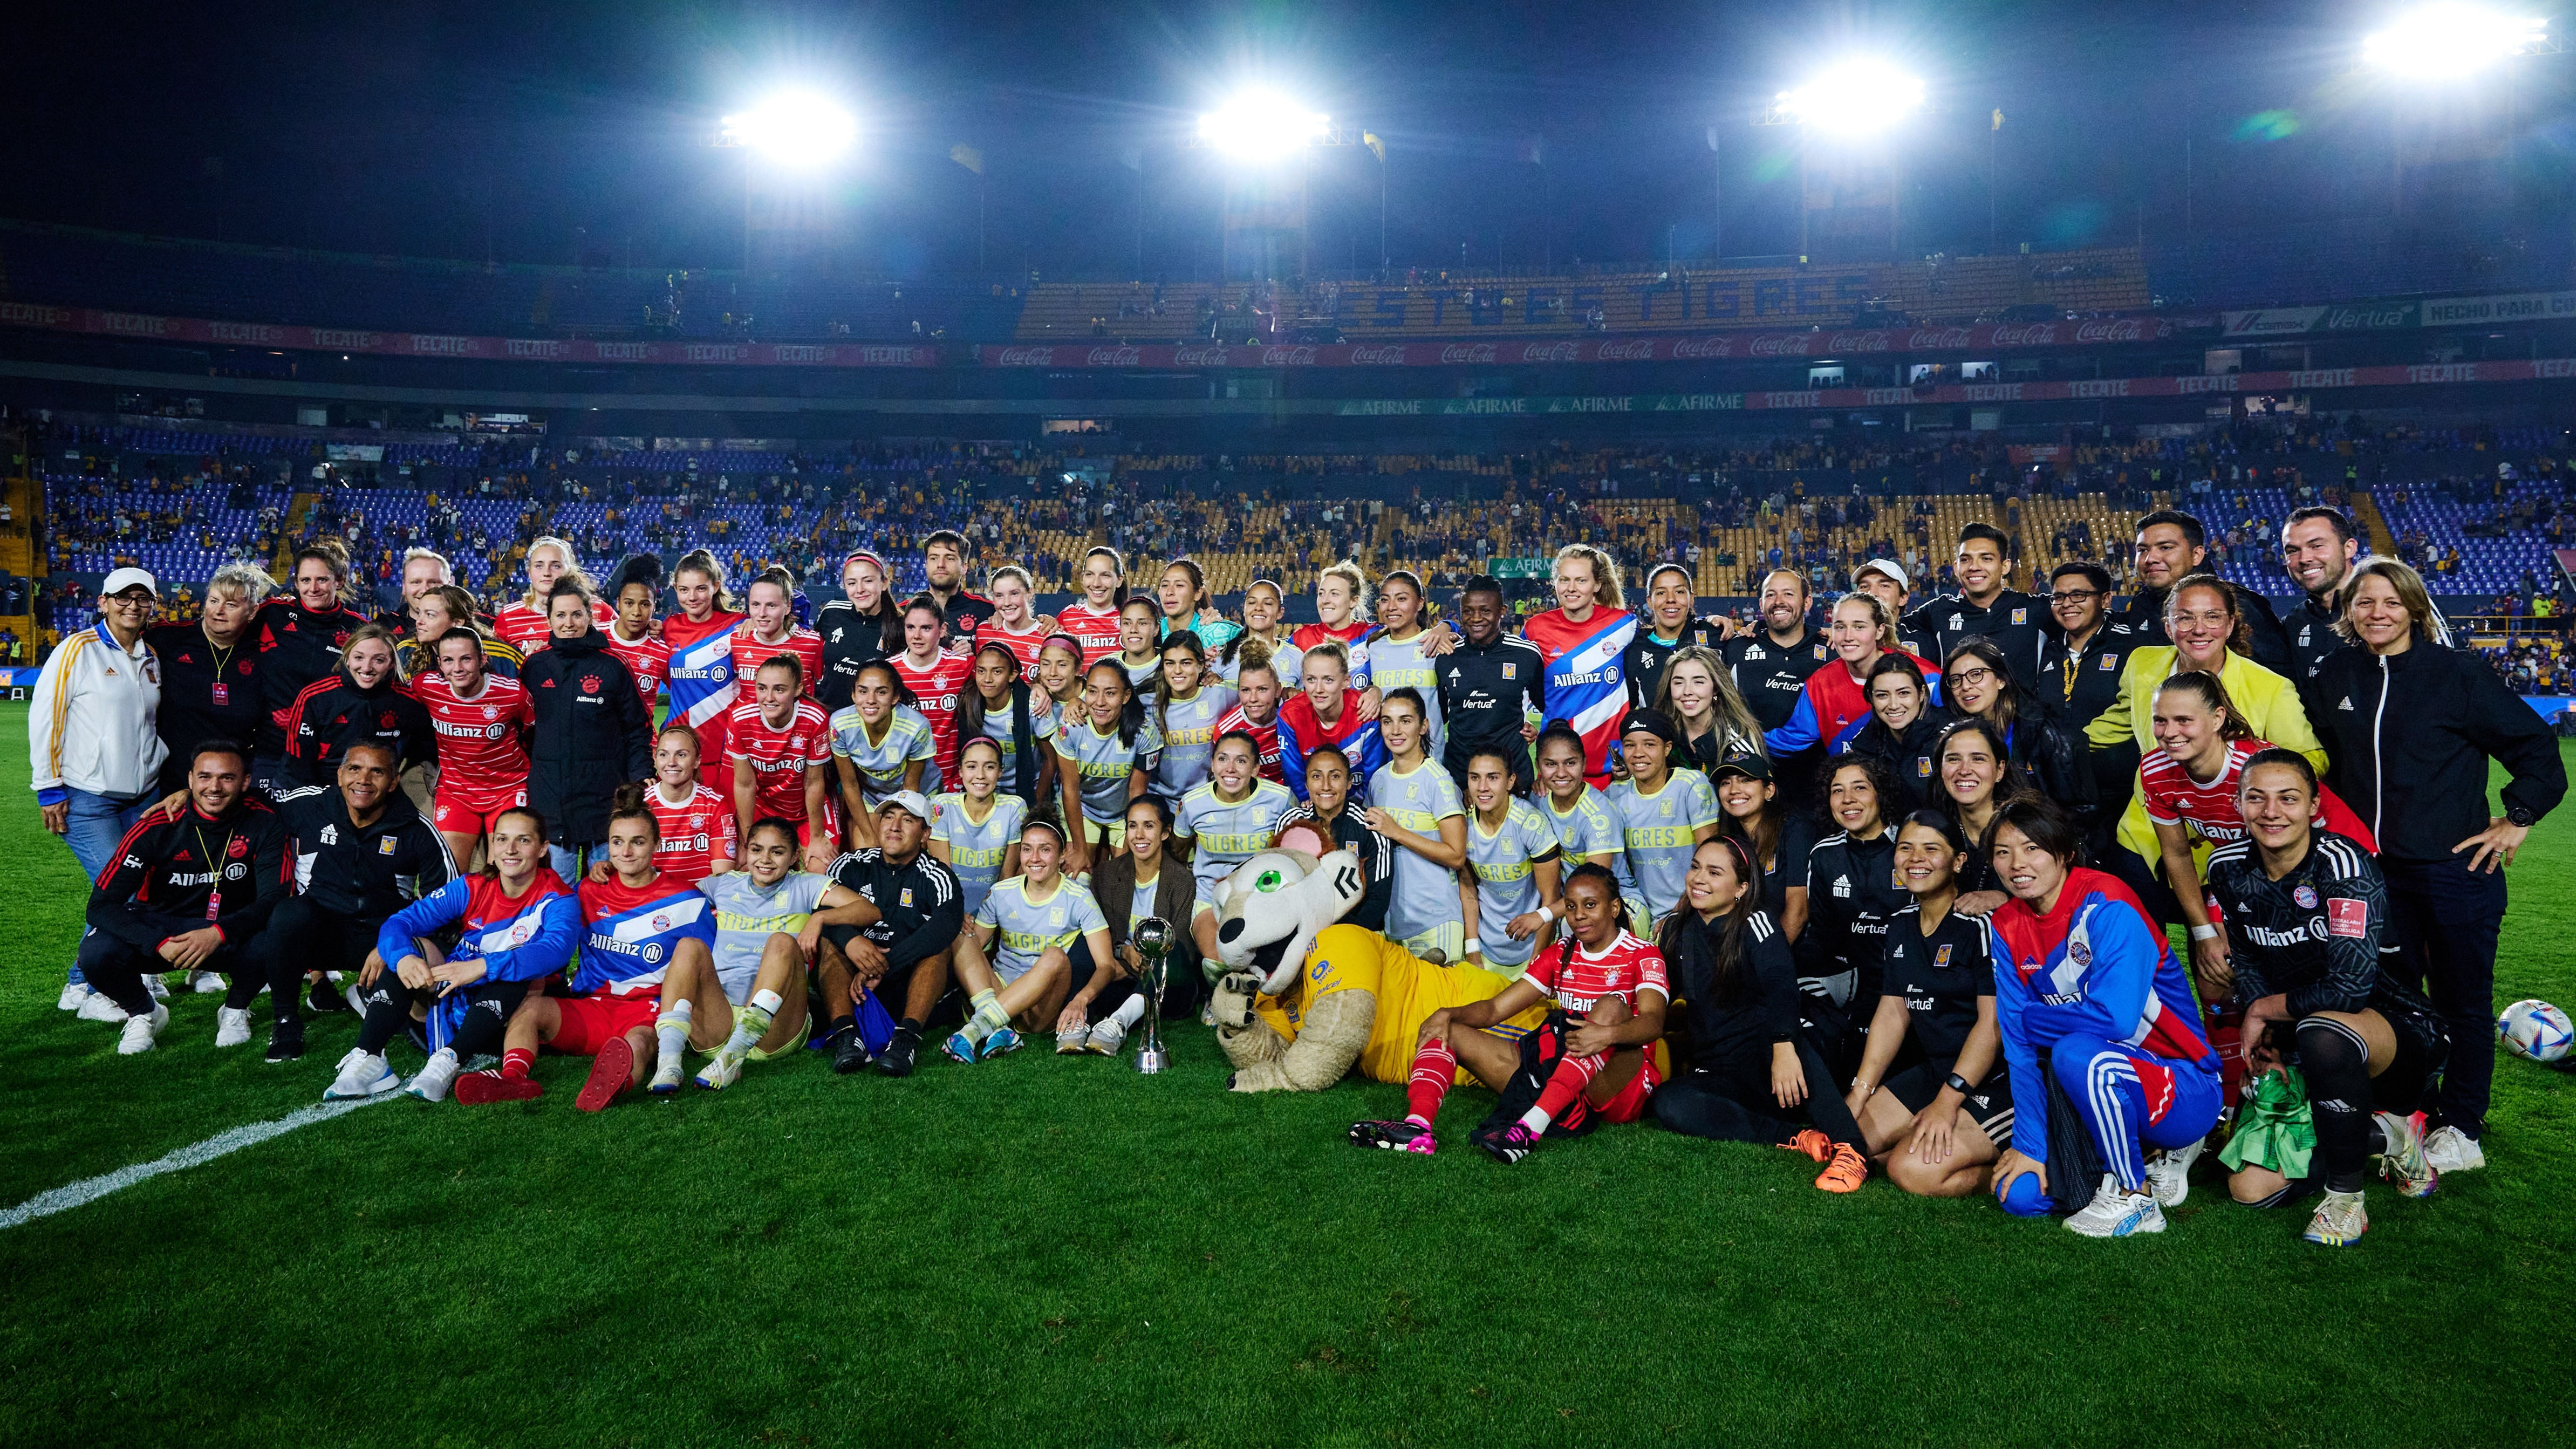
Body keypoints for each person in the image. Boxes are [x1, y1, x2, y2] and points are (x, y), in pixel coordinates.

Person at [2302, 557, 2566, 1174]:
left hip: (2453, 871)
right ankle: (2408, 1109)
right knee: (2389, 1000)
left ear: (2414, 609)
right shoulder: (2334, 674)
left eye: (2390, 602)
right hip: (2366, 874)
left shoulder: (2458, 674)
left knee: (2462, 1001)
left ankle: (2462, 1127)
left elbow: (2533, 748)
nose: (2376, 613)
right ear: (2347, 611)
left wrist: (2516, 818)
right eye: (2363, 602)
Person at [2208, 749, 2447, 1244]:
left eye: (2288, 799)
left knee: (2325, 1027)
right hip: (2299, 1032)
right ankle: (2388, 1138)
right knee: (2249, 1190)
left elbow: (2349, 988)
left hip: (2392, 1027)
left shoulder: (2342, 864)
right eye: (2256, 798)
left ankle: (2345, 1202)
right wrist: (2269, 1039)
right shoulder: (2226, 867)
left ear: (2314, 807)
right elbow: (2249, 958)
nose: (2271, 811)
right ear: (2238, 804)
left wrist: (2260, 1011)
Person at [1986, 798, 2221, 1239]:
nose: (2016, 863)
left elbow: (2113, 1021)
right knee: (2022, 1197)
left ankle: (2135, 1196)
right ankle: (2130, 1161)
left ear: (2064, 852)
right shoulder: (2005, 924)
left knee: (2076, 1052)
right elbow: (2018, 1050)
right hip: (2091, 1086)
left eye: (2031, 847)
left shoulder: (2107, 903)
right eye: (2002, 852)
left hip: (2183, 1084)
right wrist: (2031, 1148)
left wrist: (2036, 1021)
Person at [1351, 864, 1668, 1163]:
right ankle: (1417, 1128)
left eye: (1590, 905)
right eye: (1570, 907)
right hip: (1564, 1074)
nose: (1579, 916)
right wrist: (1448, 1013)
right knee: (1450, 1028)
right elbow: (1496, 1009)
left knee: (1610, 1008)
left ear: (1613, 908)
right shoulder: (1561, 952)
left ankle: (1528, 1130)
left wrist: (1606, 1035)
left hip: (1616, 1084)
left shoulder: (1643, 954)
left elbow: (1653, 1023)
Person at [2087, 572, 2324, 924]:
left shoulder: (2269, 688)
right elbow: (2118, 721)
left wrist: (2248, 771)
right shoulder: (2141, 665)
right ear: (2168, 627)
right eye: (2185, 617)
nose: (2199, 629)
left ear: (2230, 625)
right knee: (2140, 953)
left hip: (2228, 845)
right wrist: (2054, 745)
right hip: (2143, 837)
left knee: (2219, 960)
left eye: (2212, 617)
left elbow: (2311, 760)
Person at [460, 786, 716, 1110]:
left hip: (645, 1010)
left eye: (638, 842)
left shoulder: (688, 901)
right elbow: (551, 938)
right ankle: (514, 1078)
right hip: (589, 1008)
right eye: (617, 843)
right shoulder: (588, 891)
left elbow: (707, 969)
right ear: (607, 846)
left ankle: (613, 1084)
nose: (625, 852)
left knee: (638, 1043)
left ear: (657, 845)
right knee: (530, 1009)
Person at [1650, 838, 1871, 1192]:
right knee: (1669, 1103)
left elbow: (1781, 986)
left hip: (1774, 1064)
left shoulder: (1756, 922)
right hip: (1720, 1072)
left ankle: (1851, 1149)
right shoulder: (1678, 929)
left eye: (1713, 872)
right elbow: (1660, 997)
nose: (1698, 879)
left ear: (1741, 887)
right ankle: (1794, 1136)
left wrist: (1783, 1048)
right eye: (1695, 867)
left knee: (1791, 1040)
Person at [2140, 671, 2376, 993]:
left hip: (2335, 862)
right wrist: (2203, 932)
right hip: (2261, 866)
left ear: (2217, 718)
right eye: (2160, 721)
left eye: (2183, 720)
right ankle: (2234, 1041)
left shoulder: (2255, 768)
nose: (2170, 733)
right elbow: (2178, 854)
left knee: (2315, 971)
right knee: (2215, 970)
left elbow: (2309, 849)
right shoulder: (2154, 770)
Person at [74, 741, 288, 1054]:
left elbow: (275, 898)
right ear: (189, 781)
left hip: (226, 930)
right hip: (161, 928)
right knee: (96, 951)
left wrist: (218, 933)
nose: (214, 787)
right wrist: (157, 942)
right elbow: (101, 906)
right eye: (204, 777)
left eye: (227, 778)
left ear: (245, 782)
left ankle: (235, 1008)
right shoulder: (155, 825)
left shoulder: (265, 823)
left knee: (281, 932)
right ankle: (144, 1012)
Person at [358, 804, 578, 1103]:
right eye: (502, 840)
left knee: (521, 972)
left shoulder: (559, 898)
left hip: (507, 1020)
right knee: (411, 949)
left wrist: (484, 966)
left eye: (523, 840)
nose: (510, 849)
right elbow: (400, 922)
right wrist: (403, 957)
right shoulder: (472, 887)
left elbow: (556, 951)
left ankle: (449, 1061)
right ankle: (367, 1057)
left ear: (542, 849)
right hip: (452, 1002)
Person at [1843, 811, 2011, 1198]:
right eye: (1905, 848)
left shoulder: (1981, 925)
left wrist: (1945, 1103)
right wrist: (1860, 1090)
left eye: (1931, 849)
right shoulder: (1900, 923)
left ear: (1957, 862)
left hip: (2000, 1080)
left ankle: (2019, 1167)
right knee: (1848, 1142)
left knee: (1911, 1171)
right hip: (1938, 1069)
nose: (1915, 858)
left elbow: (1992, 1026)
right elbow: (1892, 1012)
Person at [278, 741, 464, 1078]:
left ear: (393, 782)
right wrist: (185, 796)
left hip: (384, 939)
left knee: (424, 952)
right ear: (339, 775)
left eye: (377, 771)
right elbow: (243, 802)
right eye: (354, 769)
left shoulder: (417, 828)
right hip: (322, 938)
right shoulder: (309, 806)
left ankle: (383, 1013)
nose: (363, 780)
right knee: (286, 917)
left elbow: (448, 903)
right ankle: (286, 1020)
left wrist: (393, 943)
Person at [32, 566, 168, 1012]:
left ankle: (84, 979)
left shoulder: (150, 656)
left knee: (136, 889)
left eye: (142, 599)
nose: (133, 606)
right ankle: (95, 987)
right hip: (89, 796)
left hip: (142, 795)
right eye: (123, 597)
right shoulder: (78, 649)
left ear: (152, 604)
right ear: (103, 602)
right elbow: (46, 716)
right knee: (119, 892)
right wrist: (49, 788)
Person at [661, 817, 873, 1091]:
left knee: (782, 943)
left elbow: (868, 910)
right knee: (688, 946)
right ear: (746, 851)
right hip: (718, 1023)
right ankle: (668, 1063)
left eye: (777, 851)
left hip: (773, 1029)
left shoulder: (807, 885)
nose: (765, 859)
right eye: (757, 849)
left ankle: (732, 1059)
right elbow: (666, 899)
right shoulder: (723, 884)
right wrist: (613, 874)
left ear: (795, 855)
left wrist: (819, 920)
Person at [813, 791, 962, 1077]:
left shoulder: (936, 874)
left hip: (906, 981)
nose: (894, 826)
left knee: (940, 947)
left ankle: (906, 1041)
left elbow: (947, 924)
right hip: (850, 981)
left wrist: (885, 965)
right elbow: (818, 907)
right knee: (829, 938)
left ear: (925, 834)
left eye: (907, 820)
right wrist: (852, 942)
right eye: (889, 817)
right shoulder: (851, 864)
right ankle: (846, 1037)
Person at [945, 818, 1113, 1061]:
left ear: (1063, 854)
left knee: (1055, 955)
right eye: (1027, 849)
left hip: (1038, 1009)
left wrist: (1081, 1000)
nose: (1034, 858)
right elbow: (974, 946)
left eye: (1045, 849)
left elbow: (1106, 966)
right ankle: (998, 1027)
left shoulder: (1079, 898)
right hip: (996, 990)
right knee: (961, 933)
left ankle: (976, 1028)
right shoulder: (1002, 892)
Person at [520, 577, 654, 883]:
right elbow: (520, 728)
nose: (569, 623)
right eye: (561, 615)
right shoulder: (535, 666)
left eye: (577, 614)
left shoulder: (613, 665)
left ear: (591, 617)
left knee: (609, 890)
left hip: (604, 801)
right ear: (549, 618)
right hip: (552, 804)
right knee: (558, 894)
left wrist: (638, 779)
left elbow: (638, 728)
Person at [1798, 756, 1907, 1073]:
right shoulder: (1824, 855)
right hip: (1850, 986)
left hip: (1906, 986)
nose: (1848, 800)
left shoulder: (1910, 846)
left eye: (1860, 788)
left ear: (1880, 793)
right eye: (1837, 791)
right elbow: (1820, 935)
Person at [1764, 592, 1942, 769]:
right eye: (1840, 627)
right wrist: (1740, 738)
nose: (1848, 636)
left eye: (1859, 627)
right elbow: (1788, 741)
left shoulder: (1926, 676)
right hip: (1854, 791)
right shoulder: (1820, 684)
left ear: (1880, 630)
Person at [248, 544, 372, 785]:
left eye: (322, 580)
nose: (313, 588)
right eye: (305, 580)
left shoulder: (357, 629)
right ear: (296, 582)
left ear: (339, 581)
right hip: (270, 750)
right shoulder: (273, 614)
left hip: (328, 754)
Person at [411, 625, 534, 868]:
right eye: (448, 660)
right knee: (449, 871)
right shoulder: (426, 687)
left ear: (482, 659)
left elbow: (532, 732)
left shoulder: (512, 694)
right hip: (457, 792)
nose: (457, 668)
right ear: (440, 663)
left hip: (507, 790)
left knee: (503, 870)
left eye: (466, 659)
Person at [1086, 794, 1204, 1045]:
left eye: (1149, 826)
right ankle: (1078, 1020)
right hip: (1121, 975)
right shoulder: (1107, 875)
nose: (1139, 835)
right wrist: (1121, 953)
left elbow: (1183, 950)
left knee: (1172, 952)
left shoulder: (1181, 881)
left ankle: (1118, 1023)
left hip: (1168, 985)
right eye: (1132, 825)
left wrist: (1145, 962)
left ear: (1165, 833)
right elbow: (1099, 934)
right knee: (1084, 951)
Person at [146, 563, 272, 797]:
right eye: (213, 601)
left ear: (252, 611)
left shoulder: (264, 655)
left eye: (231, 605)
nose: (219, 611)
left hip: (228, 788)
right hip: (168, 784)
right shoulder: (169, 639)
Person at [2116, 510, 2293, 673]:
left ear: (2197, 555)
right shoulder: (2141, 604)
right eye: (2142, 550)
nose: (2150, 559)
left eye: (2166, 548)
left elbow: (2278, 678)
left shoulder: (2239, 604)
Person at [1365, 689, 1470, 962]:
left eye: (1406, 720)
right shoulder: (1378, 780)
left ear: (1424, 726)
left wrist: (1397, 832)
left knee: (1440, 1005)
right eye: (1387, 721)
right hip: (1393, 922)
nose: (1395, 730)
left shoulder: (1438, 780)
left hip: (1436, 920)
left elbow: (1456, 856)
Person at [1521, 543, 1637, 785]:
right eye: (1564, 580)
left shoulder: (1624, 625)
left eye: (1581, 581)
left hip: (1615, 771)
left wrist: (1710, 622)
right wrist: (1449, 628)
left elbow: (1667, 639)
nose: (1571, 589)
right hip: (1557, 768)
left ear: (1597, 585)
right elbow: (1509, 670)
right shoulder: (1535, 629)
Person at [1943, 637, 2093, 825]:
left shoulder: (2045, 732)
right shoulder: (1953, 736)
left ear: (2001, 680)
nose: (1965, 686)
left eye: (1976, 674)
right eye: (1956, 680)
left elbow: (2081, 812)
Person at [1174, 731, 1295, 964]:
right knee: (1219, 962)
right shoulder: (1192, 802)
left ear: (1255, 769)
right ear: (1212, 764)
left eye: (1241, 761)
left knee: (1260, 962)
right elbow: (1178, 850)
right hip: (1210, 897)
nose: (1230, 768)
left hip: (1263, 897)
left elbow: (1293, 854)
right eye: (1222, 759)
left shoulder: (1280, 799)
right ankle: (1214, 999)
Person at [1602, 708, 1721, 933]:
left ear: (1667, 748)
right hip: (1638, 910)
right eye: (1630, 745)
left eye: (1649, 744)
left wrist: (1680, 911)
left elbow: (1712, 859)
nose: (1638, 753)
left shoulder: (1691, 786)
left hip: (1692, 906)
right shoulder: (1614, 795)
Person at [1725, 569, 1834, 806]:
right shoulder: (1737, 648)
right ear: (1762, 603)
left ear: (1807, 602)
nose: (1779, 602)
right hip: (1749, 785)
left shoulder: (1833, 650)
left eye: (1788, 594)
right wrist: (1715, 621)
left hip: (1815, 790)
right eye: (1771, 595)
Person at [278, 624, 432, 790]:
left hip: (381, 795)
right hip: (321, 791)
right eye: (359, 658)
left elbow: (424, 753)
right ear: (347, 658)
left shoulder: (408, 702)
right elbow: (296, 766)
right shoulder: (315, 697)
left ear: (392, 664)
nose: (366, 668)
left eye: (379, 660)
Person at [1459, 747, 1564, 981]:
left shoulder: (1530, 822)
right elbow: (1468, 891)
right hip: (1486, 950)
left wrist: (1536, 964)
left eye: (1493, 778)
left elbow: (1550, 900)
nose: (1483, 787)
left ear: (1510, 781)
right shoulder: (1463, 823)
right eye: (1475, 777)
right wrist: (1473, 949)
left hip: (1531, 951)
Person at [725, 655, 835, 873]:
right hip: (767, 809)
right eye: (762, 688)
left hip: (808, 810)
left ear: (797, 690)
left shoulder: (815, 718)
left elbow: (813, 783)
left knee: (819, 869)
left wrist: (816, 836)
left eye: (779, 690)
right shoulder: (740, 719)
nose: (769, 698)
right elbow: (745, 785)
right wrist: (749, 842)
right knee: (750, 869)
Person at [1436, 575, 1546, 792]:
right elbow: (1439, 715)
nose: (1476, 618)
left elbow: (1549, 707)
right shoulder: (1446, 657)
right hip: (1460, 777)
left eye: (1485, 611)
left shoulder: (1526, 655)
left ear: (1502, 611)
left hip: (1512, 777)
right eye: (1468, 611)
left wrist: (1538, 734)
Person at [1903, 523, 2045, 688]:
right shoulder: (1939, 611)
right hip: (1956, 714)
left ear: (2005, 566)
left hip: (2023, 715)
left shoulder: (2036, 609)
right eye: (1965, 560)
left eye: (1986, 559)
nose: (1974, 567)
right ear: (1956, 568)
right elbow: (1890, 630)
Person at [1053, 658, 1160, 874]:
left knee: (1123, 875)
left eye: (1110, 693)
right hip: (1084, 809)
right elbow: (1070, 789)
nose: (1100, 702)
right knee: (1078, 874)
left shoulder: (1144, 731)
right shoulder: (1071, 726)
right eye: (1093, 692)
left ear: (1125, 696)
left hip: (1123, 813)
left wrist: (1134, 839)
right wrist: (1081, 849)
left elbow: (1136, 792)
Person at [1276, 743, 1394, 933]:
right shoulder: (1291, 822)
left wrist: (1344, 937)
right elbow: (1279, 887)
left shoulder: (1369, 826)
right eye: (1316, 776)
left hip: (1358, 934)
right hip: (1299, 935)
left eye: (1335, 776)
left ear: (1349, 783)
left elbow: (1378, 898)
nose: (1326, 786)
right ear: (1306, 784)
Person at [662, 549, 748, 793]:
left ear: (716, 586)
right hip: (681, 753)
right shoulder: (668, 628)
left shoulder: (739, 626)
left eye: (701, 588)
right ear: (676, 589)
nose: (692, 597)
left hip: (727, 750)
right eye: (684, 590)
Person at [830, 659, 937, 846]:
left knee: (905, 849)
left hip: (917, 795)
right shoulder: (840, 724)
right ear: (854, 695)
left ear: (895, 697)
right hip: (872, 796)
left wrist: (900, 829)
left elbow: (911, 787)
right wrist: (870, 836)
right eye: (863, 691)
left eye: (881, 692)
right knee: (867, 853)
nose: (871, 700)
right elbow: (850, 784)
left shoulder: (916, 726)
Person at [1930, 718, 2026, 915]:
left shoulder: (2028, 826)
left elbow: (2061, 893)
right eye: (1954, 759)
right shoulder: (1932, 832)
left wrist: (2005, 898)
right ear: (1941, 770)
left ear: (2000, 770)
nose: (1964, 770)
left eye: (1978, 759)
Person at [928, 736, 1028, 920]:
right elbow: (943, 877)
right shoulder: (942, 806)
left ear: (1000, 771)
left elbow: (1006, 879)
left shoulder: (1014, 808)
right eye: (971, 767)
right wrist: (956, 915)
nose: (980, 775)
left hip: (992, 912)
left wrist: (990, 920)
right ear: (960, 771)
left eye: (989, 767)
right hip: (948, 908)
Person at [1712, 751, 1809, 942]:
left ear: (1769, 791)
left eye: (1746, 780)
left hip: (1800, 956)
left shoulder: (1796, 830)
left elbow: (1798, 913)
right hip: (1750, 947)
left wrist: (1768, 960)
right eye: (1725, 783)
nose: (1733, 790)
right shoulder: (1730, 839)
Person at [2033, 561, 2136, 739]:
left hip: (2116, 763)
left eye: (2078, 595)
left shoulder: (2129, 645)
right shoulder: (2047, 651)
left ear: (2105, 600)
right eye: (2058, 597)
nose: (2066, 604)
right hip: (2057, 764)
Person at [1278, 641, 1385, 803]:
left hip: (1360, 806)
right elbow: (1294, 773)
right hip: (1313, 803)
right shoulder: (1290, 715)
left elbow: (1374, 777)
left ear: (1345, 681)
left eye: (1328, 680)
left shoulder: (1365, 711)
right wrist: (1308, 804)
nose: (1318, 689)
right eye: (1311, 680)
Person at [1844, 654, 1948, 815]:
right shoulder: (1864, 746)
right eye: (1882, 695)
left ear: (1921, 694)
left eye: (1903, 693)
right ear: (1871, 698)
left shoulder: (1952, 737)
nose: (1893, 705)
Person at [1623, 563, 1732, 710]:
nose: (1671, 599)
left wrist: (1752, 629)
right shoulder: (1635, 650)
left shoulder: (1715, 635)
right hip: (1660, 733)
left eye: (1679, 592)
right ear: (1649, 602)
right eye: (1661, 593)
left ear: (1691, 598)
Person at [891, 594, 974, 782]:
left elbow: (1000, 678)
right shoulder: (890, 672)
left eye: (926, 628)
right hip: (904, 782)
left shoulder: (962, 665)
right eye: (910, 627)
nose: (917, 636)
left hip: (950, 784)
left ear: (942, 630)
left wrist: (1037, 687)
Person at [641, 722, 736, 884]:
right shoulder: (641, 804)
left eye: (681, 755)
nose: (671, 762)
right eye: (664, 755)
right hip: (652, 902)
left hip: (701, 901)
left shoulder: (715, 806)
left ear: (697, 761)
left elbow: (723, 878)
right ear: (655, 759)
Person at [1361, 570, 1442, 755]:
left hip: (1430, 761)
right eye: (1385, 599)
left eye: (1401, 599)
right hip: (1386, 762)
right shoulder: (1374, 647)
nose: (1391, 607)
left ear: (1420, 603)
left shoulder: (1435, 643)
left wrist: (1447, 626)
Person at [1149, 632, 1236, 803]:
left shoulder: (1222, 694)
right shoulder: (1148, 703)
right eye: (1170, 664)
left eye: (1186, 663)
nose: (1177, 671)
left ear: (1201, 665)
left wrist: (1287, 692)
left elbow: (1260, 694)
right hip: (1160, 801)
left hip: (1208, 799)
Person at [1653, 645, 1764, 778]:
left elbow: (1751, 793)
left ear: (1715, 688)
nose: (1687, 691)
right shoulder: (1662, 733)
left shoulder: (1737, 738)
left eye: (1699, 682)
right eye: (1679, 683)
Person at [816, 549, 904, 713]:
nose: (860, 589)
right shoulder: (832, 613)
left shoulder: (901, 625)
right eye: (851, 583)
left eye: (868, 581)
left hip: (872, 723)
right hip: (826, 717)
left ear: (884, 583)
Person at [490, 537, 610, 654]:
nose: (546, 573)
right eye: (539, 566)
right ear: (529, 572)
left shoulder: (597, 608)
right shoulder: (508, 616)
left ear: (569, 571)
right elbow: (497, 664)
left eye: (556, 566)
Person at [731, 566, 824, 702]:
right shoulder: (738, 639)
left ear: (788, 607)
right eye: (756, 605)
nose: (762, 614)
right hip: (749, 723)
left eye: (771, 606)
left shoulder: (812, 643)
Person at [600, 555, 672, 717]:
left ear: (654, 607)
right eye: (629, 603)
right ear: (618, 603)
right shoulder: (594, 639)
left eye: (645, 604)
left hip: (643, 741)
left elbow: (685, 693)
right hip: (598, 740)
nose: (636, 613)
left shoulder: (662, 652)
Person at [1213, 651, 1287, 784]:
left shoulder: (1295, 717)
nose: (1253, 699)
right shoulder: (1226, 731)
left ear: (1277, 690)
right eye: (1246, 690)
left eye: (1262, 689)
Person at [1218, 578, 1303, 688]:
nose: (1258, 608)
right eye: (1252, 602)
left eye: (1268, 603)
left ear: (1280, 613)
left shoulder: (1296, 657)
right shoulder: (1223, 656)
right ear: (1244, 610)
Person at [1292, 559, 1375, 667]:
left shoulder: (1369, 635)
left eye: (1334, 594)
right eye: (1321, 593)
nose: (1325, 600)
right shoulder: (1303, 636)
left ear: (1353, 601)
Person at [1054, 547, 1129, 664]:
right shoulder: (1067, 616)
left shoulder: (1129, 617)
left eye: (1105, 575)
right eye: (1090, 574)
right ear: (1083, 579)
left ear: (1119, 581)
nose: (1096, 583)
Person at [919, 529, 994, 644]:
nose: (940, 565)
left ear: (964, 567)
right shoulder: (903, 612)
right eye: (934, 558)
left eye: (950, 558)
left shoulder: (987, 612)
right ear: (926, 565)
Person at [976, 565, 1057, 671]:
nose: (1007, 603)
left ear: (1030, 593)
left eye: (1014, 594)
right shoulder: (984, 631)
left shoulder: (1050, 635)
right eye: (999, 596)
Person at [1156, 557, 1240, 653]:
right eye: (1165, 586)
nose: (1169, 592)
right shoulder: (1149, 634)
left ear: (1198, 594)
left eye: (1179, 585)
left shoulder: (1225, 633)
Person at [1114, 595, 1166, 691]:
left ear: (1156, 629)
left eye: (1142, 623)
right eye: (1127, 623)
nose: (1133, 630)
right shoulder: (1107, 665)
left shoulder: (1170, 664)